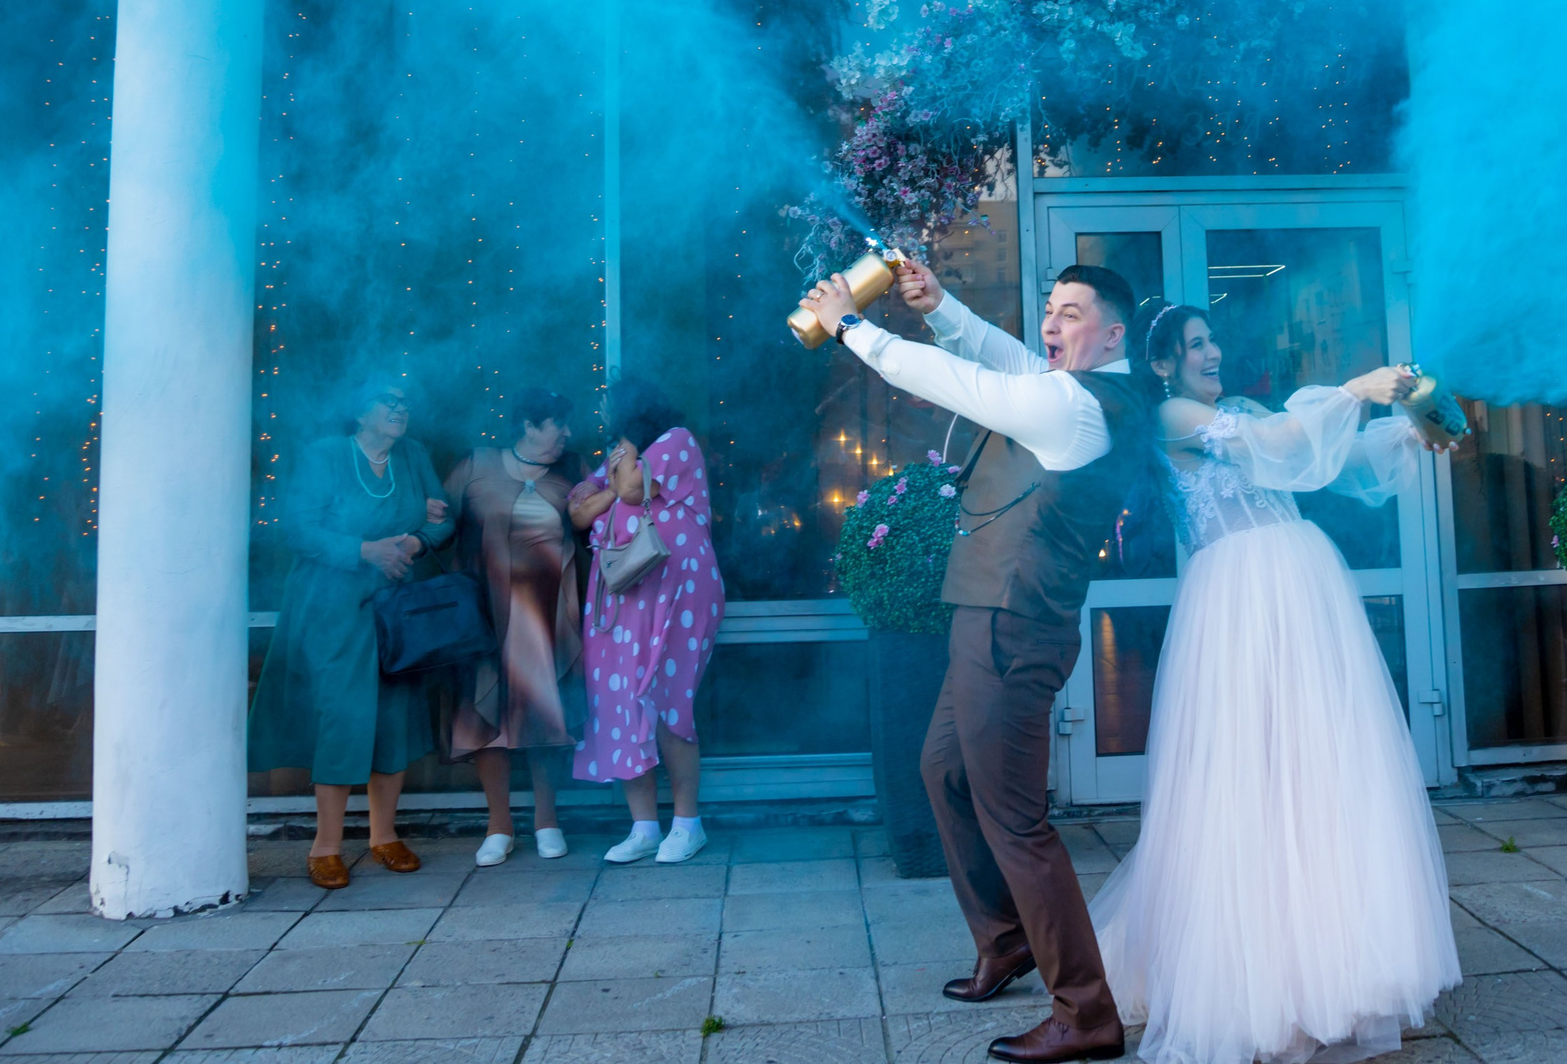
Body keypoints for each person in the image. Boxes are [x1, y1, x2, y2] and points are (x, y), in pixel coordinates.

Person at [1089, 303, 1463, 1064]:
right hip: (1239, 598)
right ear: (1162, 364)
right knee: (1248, 779)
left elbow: (1328, 459)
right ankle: (1254, 985)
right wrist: (1358, 386)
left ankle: (1340, 973)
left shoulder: (1231, 409)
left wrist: (1407, 430)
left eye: (1213, 339)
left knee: (1319, 775)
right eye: (1195, 344)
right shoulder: (1170, 415)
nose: (1212, 351)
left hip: (1300, 591)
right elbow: (1279, 441)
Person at [802, 256, 1151, 1064]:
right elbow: (1001, 357)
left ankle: (1087, 1011)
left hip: (1010, 626)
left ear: (1113, 332)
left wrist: (855, 327)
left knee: (1017, 823)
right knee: (941, 770)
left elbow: (972, 385)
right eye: (1050, 309)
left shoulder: (1076, 407)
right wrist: (940, 305)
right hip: (988, 620)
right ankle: (1005, 941)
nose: (1052, 324)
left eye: (1070, 312)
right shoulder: (1080, 388)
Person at [246, 375, 458, 891]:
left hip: (395, 607)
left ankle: (384, 837)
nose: (399, 409)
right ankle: (326, 845)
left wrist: (412, 542)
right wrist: (365, 551)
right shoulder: (325, 455)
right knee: (342, 715)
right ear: (359, 412)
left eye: (405, 402)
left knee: (394, 716)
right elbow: (298, 528)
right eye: (387, 401)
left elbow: (443, 520)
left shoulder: (413, 454)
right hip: (332, 606)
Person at [570, 375, 724, 865]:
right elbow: (577, 511)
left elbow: (633, 490)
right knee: (619, 702)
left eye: (610, 408)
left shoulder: (674, 440)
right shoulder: (619, 454)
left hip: (676, 587)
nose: (604, 416)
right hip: (622, 594)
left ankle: (687, 823)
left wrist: (620, 474)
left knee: (667, 699)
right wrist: (613, 486)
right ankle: (643, 827)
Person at [446, 387, 585, 866]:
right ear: (528, 424)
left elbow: (596, 525)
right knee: (489, 718)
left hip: (547, 618)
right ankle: (498, 826)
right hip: (488, 616)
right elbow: (440, 524)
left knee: (546, 716)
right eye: (557, 424)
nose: (567, 434)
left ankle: (547, 821)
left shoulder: (571, 473)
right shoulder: (476, 465)